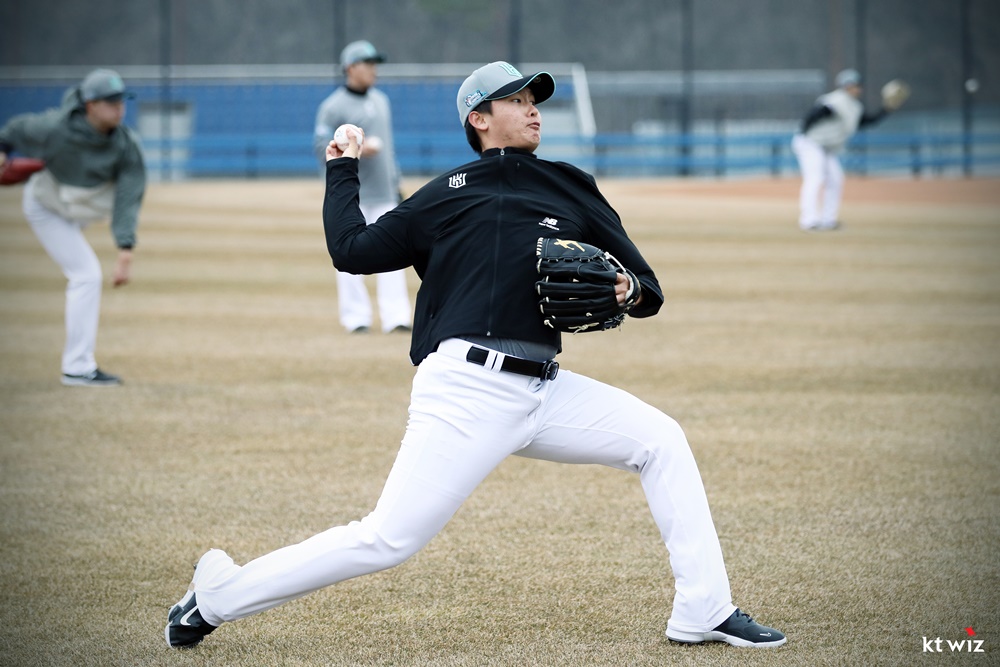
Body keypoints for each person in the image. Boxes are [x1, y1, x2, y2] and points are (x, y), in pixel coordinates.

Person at [166, 61, 786, 650]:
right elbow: (351, 250)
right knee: (386, 540)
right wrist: (342, 169)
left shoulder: (572, 185)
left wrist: (627, 288)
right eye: (516, 100)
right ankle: (217, 597)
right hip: (466, 389)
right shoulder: (446, 195)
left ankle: (703, 609)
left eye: (535, 99)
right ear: (479, 119)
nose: (533, 109)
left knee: (661, 440)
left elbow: (647, 286)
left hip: (545, 389)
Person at [0, 68, 145, 386]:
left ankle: (78, 366)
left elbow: (128, 198)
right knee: (86, 275)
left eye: (121, 100)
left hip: (79, 206)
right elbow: (12, 130)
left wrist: (125, 249)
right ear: (90, 105)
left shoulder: (125, 144)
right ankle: (78, 368)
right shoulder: (54, 129)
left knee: (119, 192)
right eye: (111, 101)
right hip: (46, 207)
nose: (119, 107)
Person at [312, 39, 412, 334]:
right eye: (368, 64)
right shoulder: (332, 107)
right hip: (350, 195)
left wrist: (396, 183)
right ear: (351, 67)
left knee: (394, 255)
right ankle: (356, 318)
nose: (373, 70)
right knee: (348, 257)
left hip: (384, 192)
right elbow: (320, 147)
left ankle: (397, 317)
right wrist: (356, 150)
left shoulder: (382, 100)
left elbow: (390, 150)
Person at [791, 68, 891, 231]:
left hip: (826, 147)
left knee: (836, 179)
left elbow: (867, 121)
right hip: (811, 143)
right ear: (846, 86)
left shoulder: (854, 106)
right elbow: (814, 114)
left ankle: (828, 220)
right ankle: (808, 220)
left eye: (858, 85)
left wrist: (886, 110)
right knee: (815, 178)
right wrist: (805, 133)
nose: (857, 88)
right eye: (854, 85)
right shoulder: (836, 100)